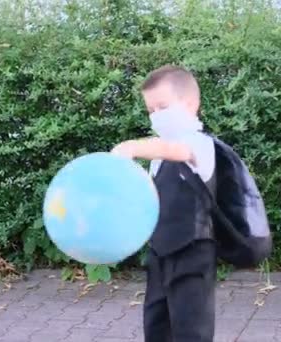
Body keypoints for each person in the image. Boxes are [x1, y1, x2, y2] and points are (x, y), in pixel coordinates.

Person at [111, 65, 217, 342]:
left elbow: (175, 150)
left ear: (191, 104)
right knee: (157, 323)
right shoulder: (158, 157)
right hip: (160, 252)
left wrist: (132, 147)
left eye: (163, 106)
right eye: (151, 110)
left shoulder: (201, 145)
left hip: (193, 253)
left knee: (191, 329)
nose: (156, 115)